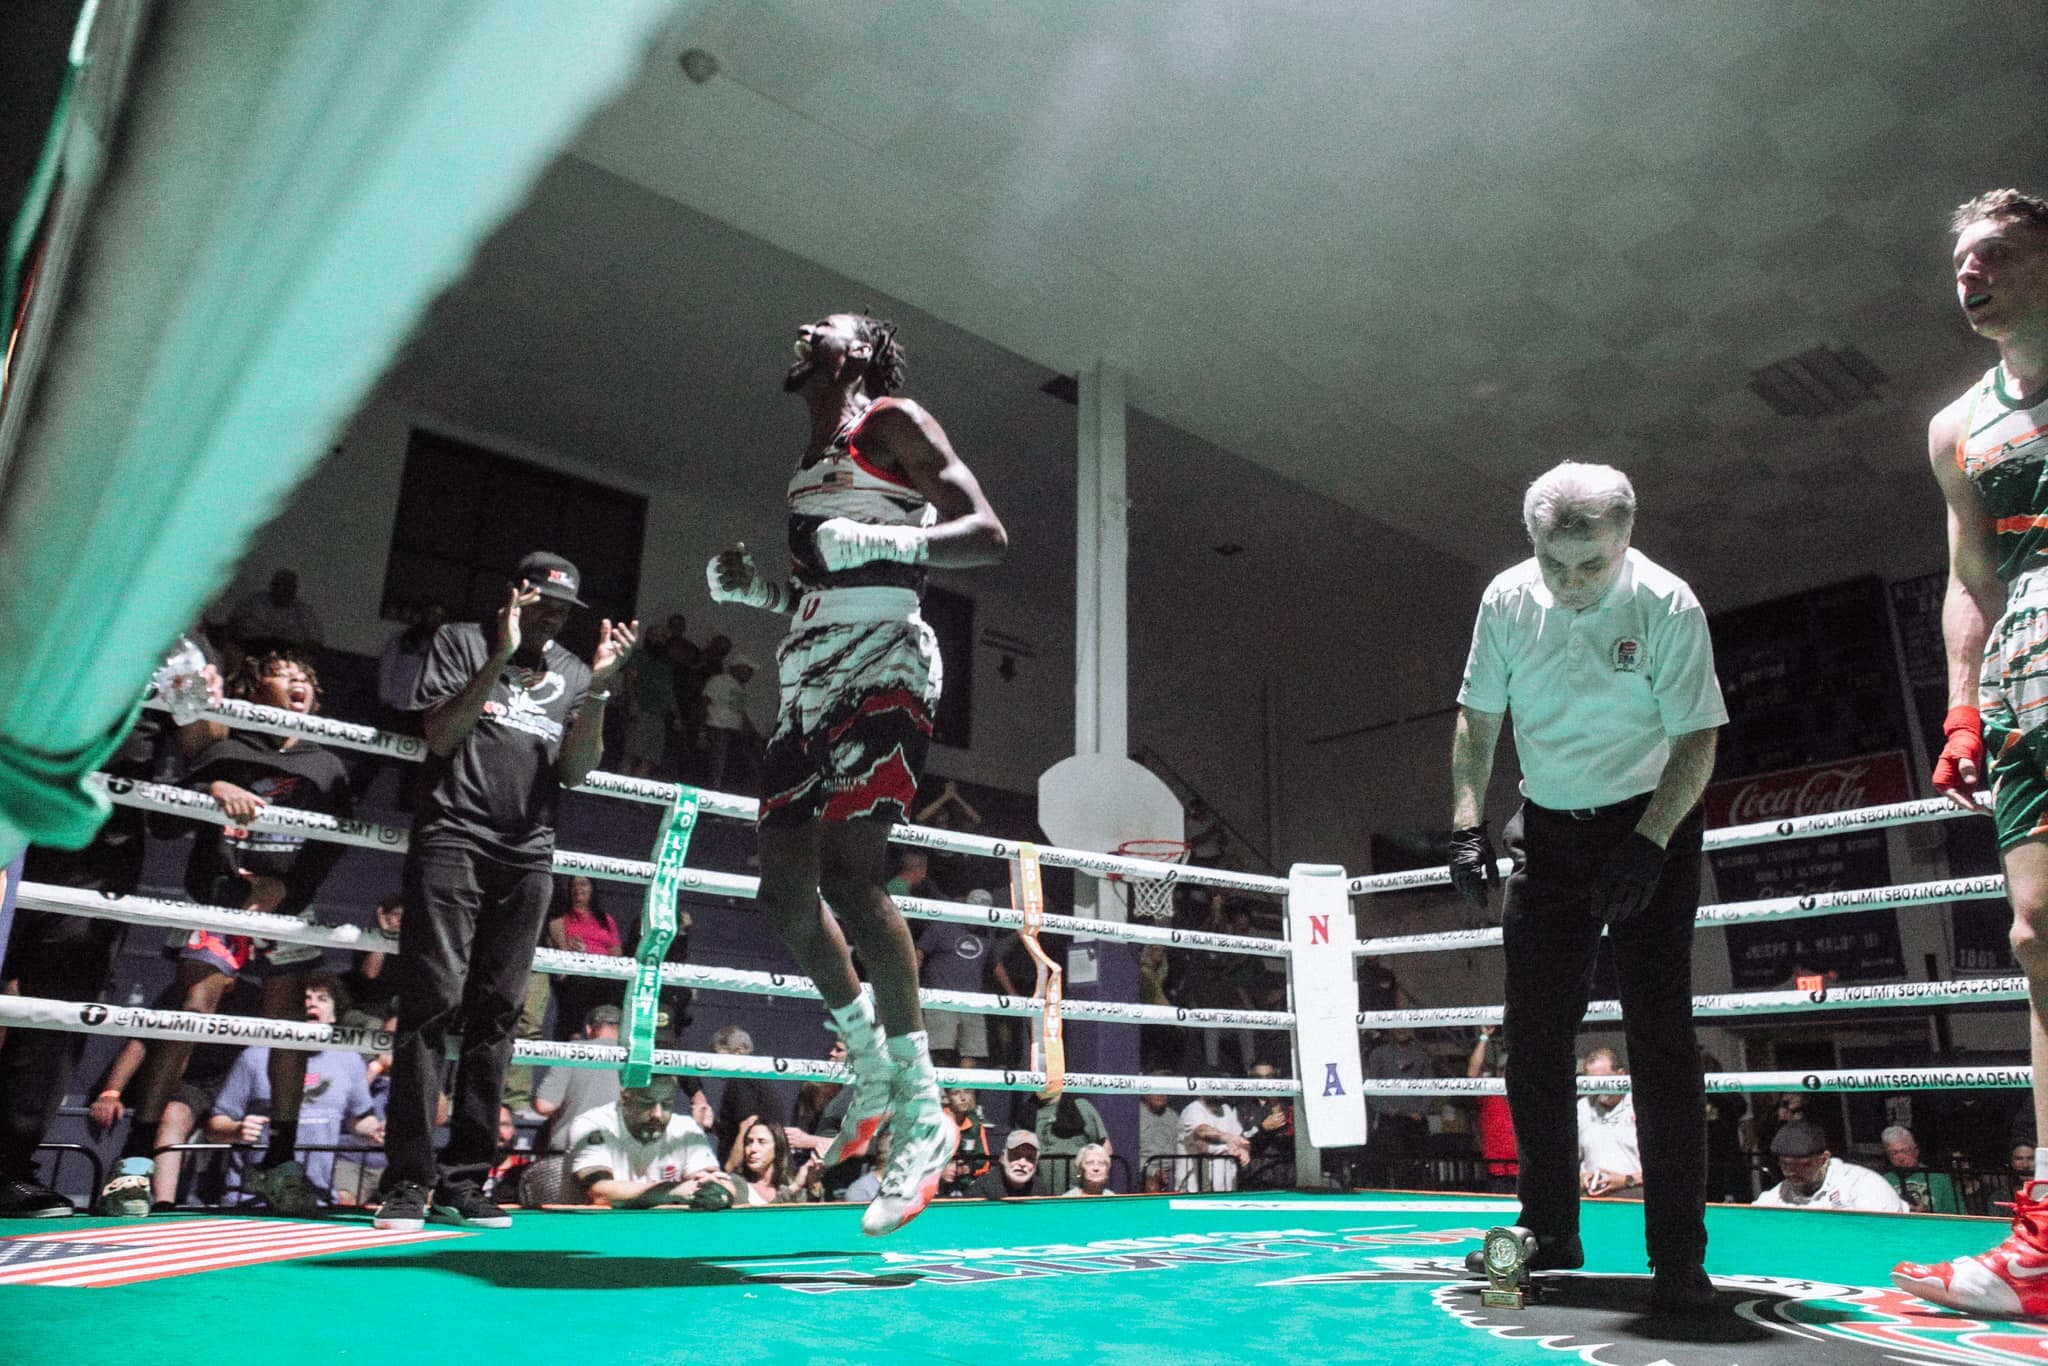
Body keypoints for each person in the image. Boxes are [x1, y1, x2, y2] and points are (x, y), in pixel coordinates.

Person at [705, 309, 1006, 1235]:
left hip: (885, 662)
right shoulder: (812, 461)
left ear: (862, 353)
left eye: (824, 325)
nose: (801, 327)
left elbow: (985, 533)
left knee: (851, 872)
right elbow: (820, 581)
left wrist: (882, 543)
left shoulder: (891, 422)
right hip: (808, 674)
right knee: (782, 894)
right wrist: (759, 591)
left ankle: (923, 1114)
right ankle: (869, 1067)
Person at [1449, 460, 1726, 1313]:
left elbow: (1698, 739)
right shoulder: (1505, 599)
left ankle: (1677, 1252)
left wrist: (1649, 843)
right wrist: (1465, 820)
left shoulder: (1669, 603)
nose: (1571, 584)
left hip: (1653, 823)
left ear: (1625, 540)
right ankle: (1550, 1227)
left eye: (1591, 566)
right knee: (1531, 1037)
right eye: (1554, 562)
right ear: (1533, 541)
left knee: (1661, 1040)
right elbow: (1479, 716)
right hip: (1548, 829)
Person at [374, 551, 636, 1233]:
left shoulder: (576, 673)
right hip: (454, 835)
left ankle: (465, 1180)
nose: (552, 616)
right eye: (542, 601)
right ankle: (405, 1182)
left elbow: (577, 769)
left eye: (562, 609)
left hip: (528, 850)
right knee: (432, 1002)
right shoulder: (461, 640)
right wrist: (500, 655)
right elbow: (440, 735)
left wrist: (602, 688)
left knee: (499, 1014)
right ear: (516, 594)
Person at [1897, 188, 2048, 1320]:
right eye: (1958, 262)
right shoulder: (1956, 424)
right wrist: (1960, 707)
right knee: (2038, 937)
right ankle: (2044, 1242)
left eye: (1992, 254)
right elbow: (1967, 576)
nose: (1968, 275)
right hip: (2025, 690)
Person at [102, 651, 353, 1218]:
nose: (297, 683)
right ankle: (137, 1161)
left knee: (287, 1022)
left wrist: (285, 891)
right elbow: (164, 822)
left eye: (306, 678)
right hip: (217, 898)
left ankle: (280, 1161)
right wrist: (211, 787)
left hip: (283, 908)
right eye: (283, 674)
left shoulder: (327, 764)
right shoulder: (227, 748)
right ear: (254, 687)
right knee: (193, 1003)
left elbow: (335, 844)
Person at [204, 976, 381, 1209]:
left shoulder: (349, 1059)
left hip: (316, 1199)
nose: (312, 1003)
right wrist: (236, 1129)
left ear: (334, 1015)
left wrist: (377, 1130)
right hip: (250, 1200)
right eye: (304, 998)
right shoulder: (255, 1056)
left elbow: (357, 1121)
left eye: (322, 999)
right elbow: (213, 1128)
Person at [568, 1074, 723, 1208]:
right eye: (646, 1103)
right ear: (625, 1097)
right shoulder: (592, 1124)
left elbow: (720, 1183)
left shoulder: (686, 1128)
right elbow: (600, 1192)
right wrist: (673, 1191)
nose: (657, 1113)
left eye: (667, 1104)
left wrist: (717, 1190)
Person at [1754, 1121, 1908, 1213]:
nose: (1791, 1172)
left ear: (1824, 1159)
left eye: (1802, 1166)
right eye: (1785, 1165)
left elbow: (1886, 1235)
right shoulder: (1777, 1196)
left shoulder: (1864, 1185)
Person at [1578, 1047, 1643, 1200]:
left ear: (1621, 1075)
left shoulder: (1643, 1107)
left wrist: (1627, 1181)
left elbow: (1666, 1169)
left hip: (1635, 1202)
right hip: (1590, 1202)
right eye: (1591, 1083)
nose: (1598, 1088)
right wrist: (1581, 1178)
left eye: (1603, 1081)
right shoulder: (1581, 1109)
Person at [724, 1113, 816, 1206]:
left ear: (777, 1148)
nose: (753, 1149)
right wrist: (794, 1188)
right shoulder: (736, 1184)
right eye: (749, 1142)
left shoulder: (787, 1187)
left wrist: (814, 1184)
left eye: (762, 1142)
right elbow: (757, 1218)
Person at [1467, 1027, 1517, 1195]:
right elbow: (1472, 1074)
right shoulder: (1490, 1092)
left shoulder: (1527, 1093)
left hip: (1525, 1167)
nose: (1508, 1073)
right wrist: (1484, 1037)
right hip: (1496, 1167)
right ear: (1498, 1071)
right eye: (1504, 1069)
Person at [1882, 1125, 1964, 1214]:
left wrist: (1927, 1214)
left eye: (1905, 1151)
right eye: (1894, 1153)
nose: (1901, 1158)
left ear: (1916, 1151)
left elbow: (1958, 1216)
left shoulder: (1940, 1178)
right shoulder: (1883, 1181)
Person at [970, 1129, 1040, 1200]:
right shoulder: (981, 1189)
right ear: (1002, 1158)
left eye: (1030, 1158)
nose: (1022, 1163)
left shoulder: (1040, 1189)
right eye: (1015, 1156)